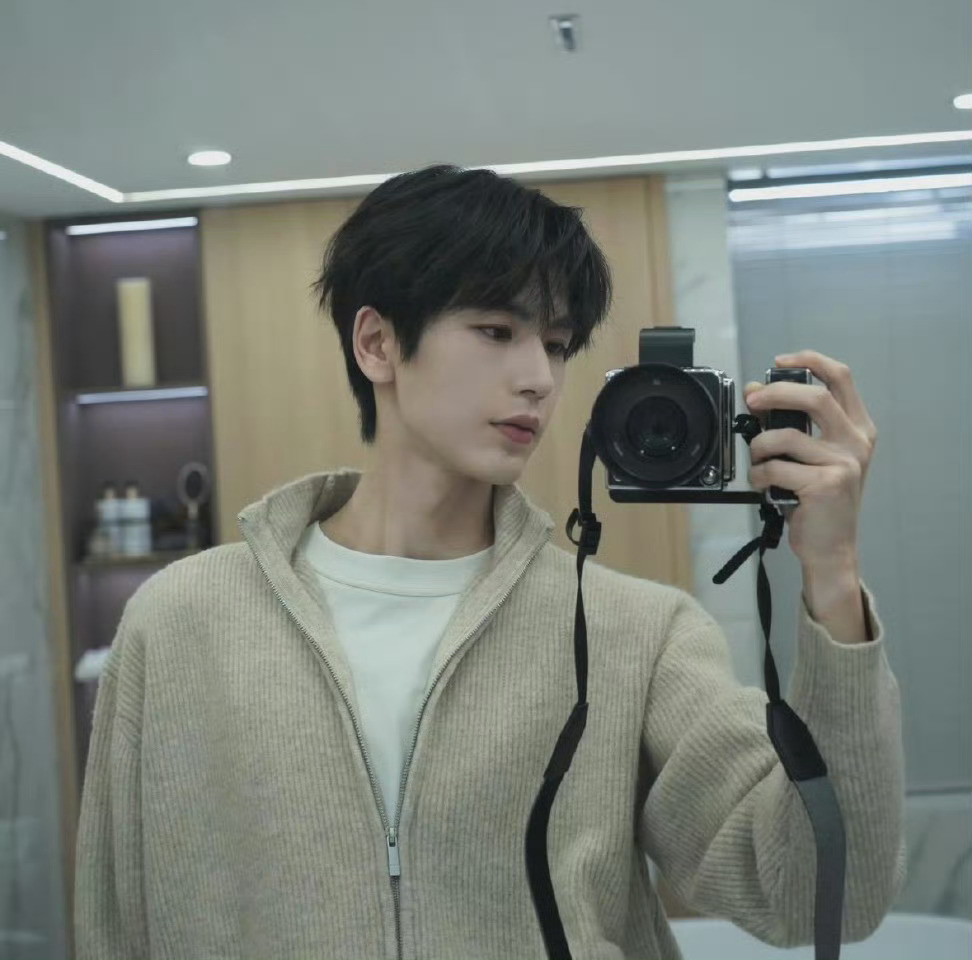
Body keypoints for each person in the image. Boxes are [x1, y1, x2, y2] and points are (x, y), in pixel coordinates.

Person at [75, 164, 905, 960]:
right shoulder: (183, 620)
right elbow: (115, 927)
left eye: (557, 344)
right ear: (377, 343)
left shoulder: (633, 634)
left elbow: (816, 895)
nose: (539, 377)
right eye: (497, 332)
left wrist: (832, 575)